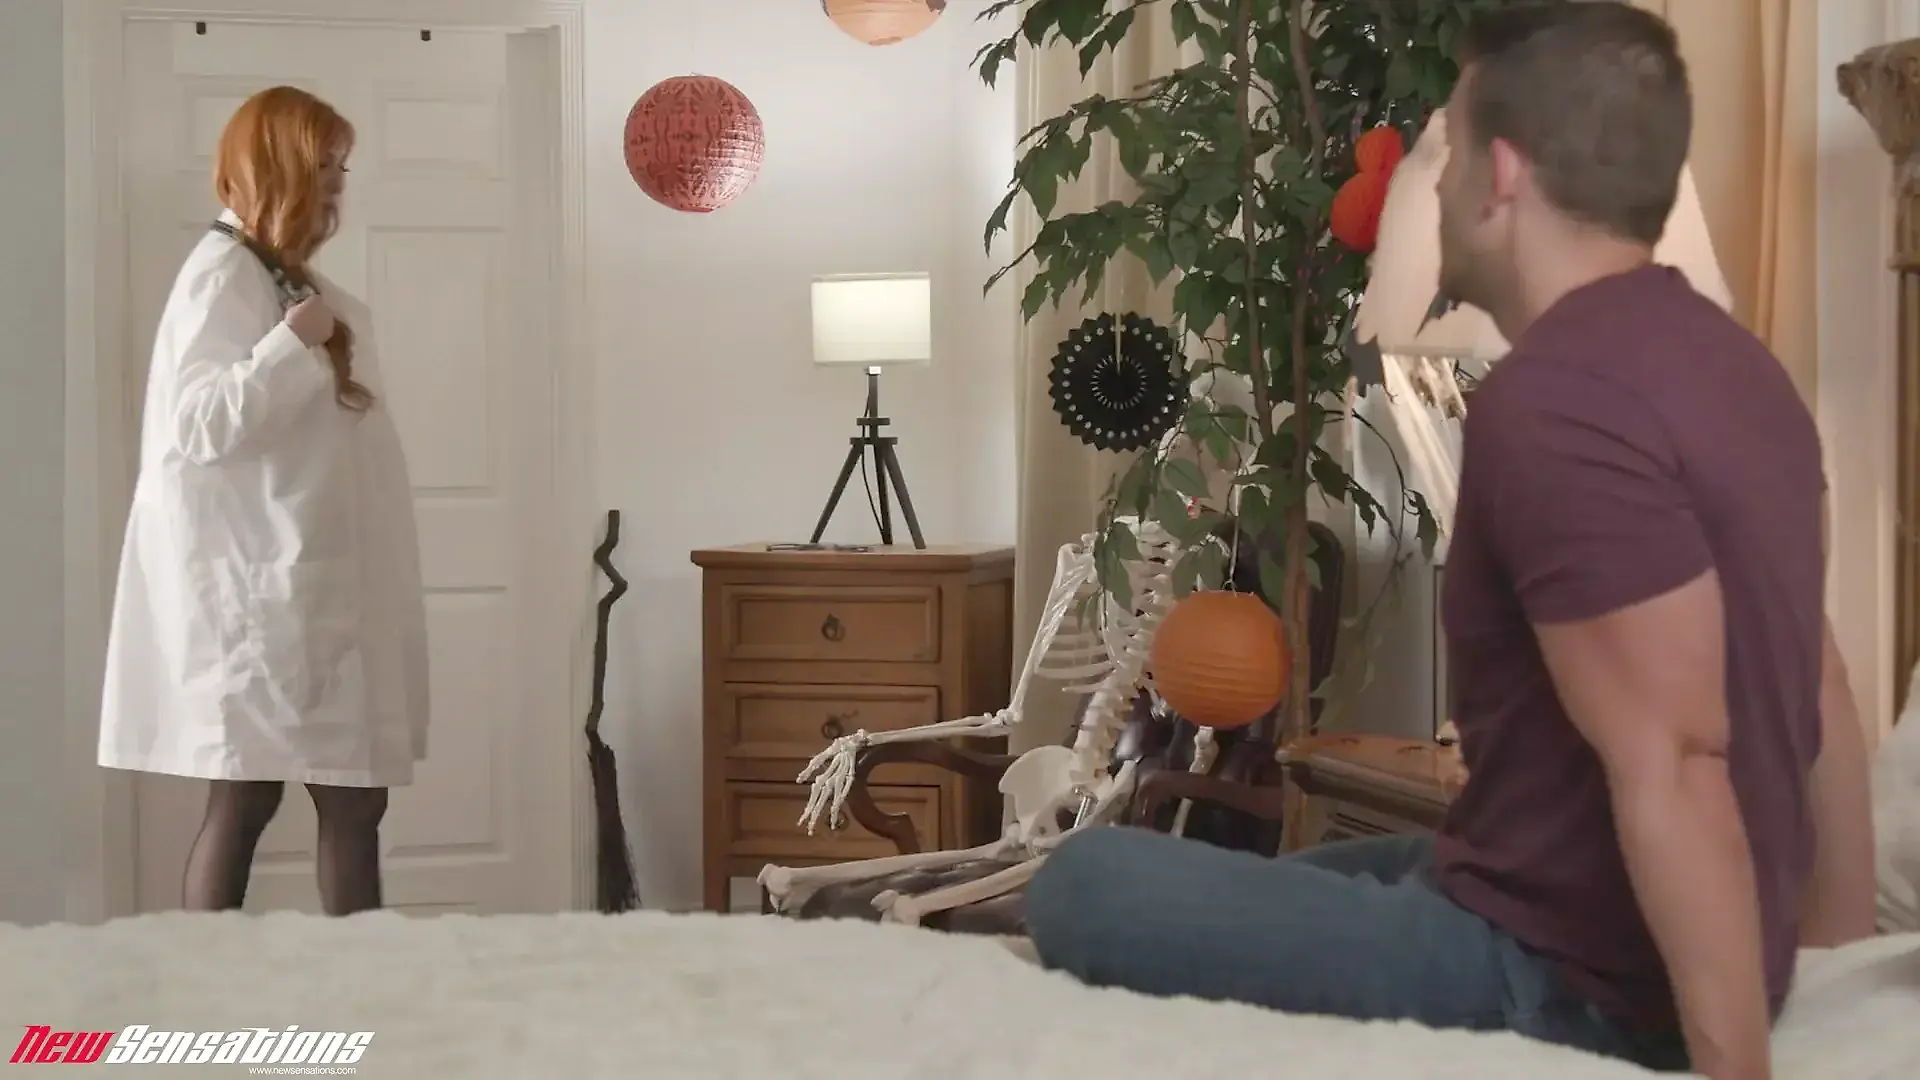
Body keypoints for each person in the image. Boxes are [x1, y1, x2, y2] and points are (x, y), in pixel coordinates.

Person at [1021, 4, 1878, 1077]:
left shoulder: (1559, 400)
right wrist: (1830, 967)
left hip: (1570, 977)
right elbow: (1824, 691)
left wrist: (1739, 1060)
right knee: (1352, 868)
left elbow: (1674, 758)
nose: (1431, 184)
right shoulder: (1750, 377)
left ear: (1502, 175)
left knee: (1086, 883)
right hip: (1579, 902)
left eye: (1449, 149)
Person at [98, 86, 430, 917]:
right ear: (279, 165)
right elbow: (199, 425)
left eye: (342, 166)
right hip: (266, 593)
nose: (339, 183)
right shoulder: (221, 275)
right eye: (325, 165)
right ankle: (279, 983)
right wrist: (291, 343)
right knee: (277, 796)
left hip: (303, 580)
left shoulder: (271, 270)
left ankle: (321, 983)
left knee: (310, 796)